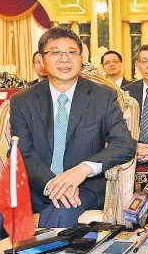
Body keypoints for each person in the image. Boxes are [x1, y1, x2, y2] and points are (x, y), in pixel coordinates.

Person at [9, 27, 136, 228]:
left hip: (84, 188)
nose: (65, 59)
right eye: (55, 52)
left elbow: (124, 144)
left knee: (63, 211)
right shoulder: (22, 100)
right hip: (35, 187)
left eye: (71, 52)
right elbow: (21, 152)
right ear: (41, 61)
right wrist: (53, 184)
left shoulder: (103, 96)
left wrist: (83, 169)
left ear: (81, 59)